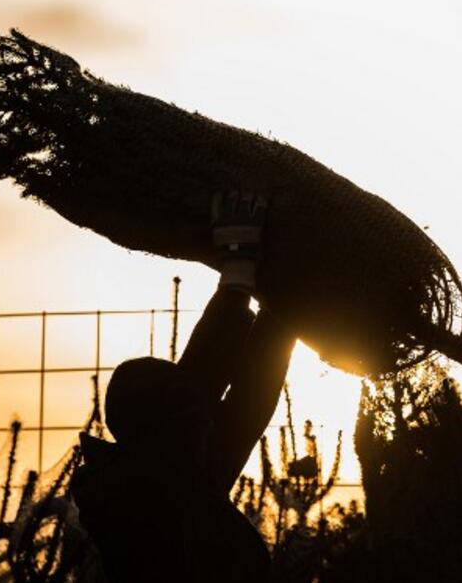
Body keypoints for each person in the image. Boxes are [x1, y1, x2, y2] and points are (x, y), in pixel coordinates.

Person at [71, 191, 296, 583]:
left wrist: (248, 289)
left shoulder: (163, 480)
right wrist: (259, 295)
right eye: (196, 416)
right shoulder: (162, 502)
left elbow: (231, 399)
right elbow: (234, 402)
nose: (208, 421)